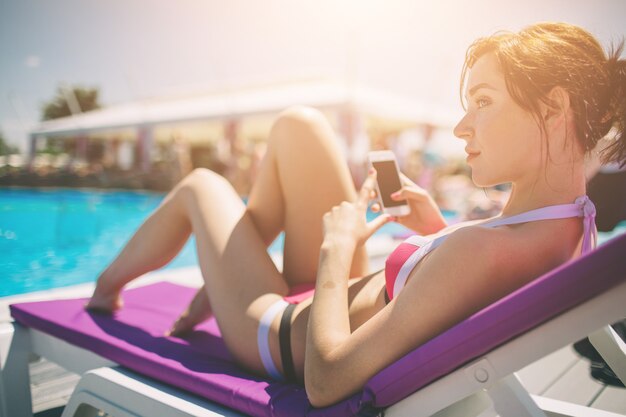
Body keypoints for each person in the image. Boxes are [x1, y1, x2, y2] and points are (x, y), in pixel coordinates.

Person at [87, 22, 626, 407]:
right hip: (340, 303)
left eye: (483, 102)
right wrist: (436, 232)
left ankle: (108, 292)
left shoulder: (486, 250)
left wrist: (335, 248)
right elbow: (469, 289)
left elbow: (325, 381)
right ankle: (227, 276)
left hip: (280, 332)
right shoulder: (571, 223)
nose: (462, 127)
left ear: (554, 111)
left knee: (200, 186)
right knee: (298, 127)